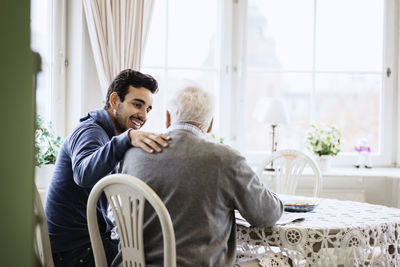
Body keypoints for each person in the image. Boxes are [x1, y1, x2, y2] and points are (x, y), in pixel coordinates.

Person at [114, 86, 283, 267]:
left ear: (168, 117)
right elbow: (267, 215)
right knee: (281, 261)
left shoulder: (130, 154)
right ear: (210, 124)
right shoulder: (226, 158)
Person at [45, 69, 171, 267]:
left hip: (79, 244)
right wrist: (126, 138)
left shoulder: (106, 134)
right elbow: (83, 174)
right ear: (114, 100)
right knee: (150, 259)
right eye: (137, 104)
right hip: (74, 250)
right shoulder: (90, 130)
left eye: (148, 109)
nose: (143, 115)